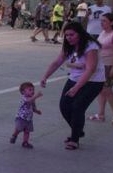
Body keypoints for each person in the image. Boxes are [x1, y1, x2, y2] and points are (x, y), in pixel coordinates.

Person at [39, 20, 105, 150]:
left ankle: (75, 139)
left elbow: (90, 69)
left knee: (77, 107)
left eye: (72, 35)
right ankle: (78, 130)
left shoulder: (90, 46)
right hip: (74, 79)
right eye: (67, 35)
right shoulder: (68, 46)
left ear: (79, 34)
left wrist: (77, 87)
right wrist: (45, 76)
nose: (69, 38)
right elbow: (57, 62)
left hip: (93, 82)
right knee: (64, 106)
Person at [89, 12, 113, 124]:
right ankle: (101, 114)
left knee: (107, 90)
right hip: (100, 65)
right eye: (101, 21)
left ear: (112, 22)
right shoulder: (103, 32)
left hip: (109, 65)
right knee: (100, 90)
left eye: (104, 21)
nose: (101, 23)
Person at [10, 81, 43, 149]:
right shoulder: (24, 98)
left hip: (29, 119)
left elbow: (33, 107)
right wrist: (36, 96)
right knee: (19, 129)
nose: (32, 91)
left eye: (33, 89)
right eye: (30, 90)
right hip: (21, 118)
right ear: (23, 92)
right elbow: (28, 101)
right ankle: (14, 135)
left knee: (27, 131)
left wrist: (36, 111)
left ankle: (25, 142)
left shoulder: (32, 99)